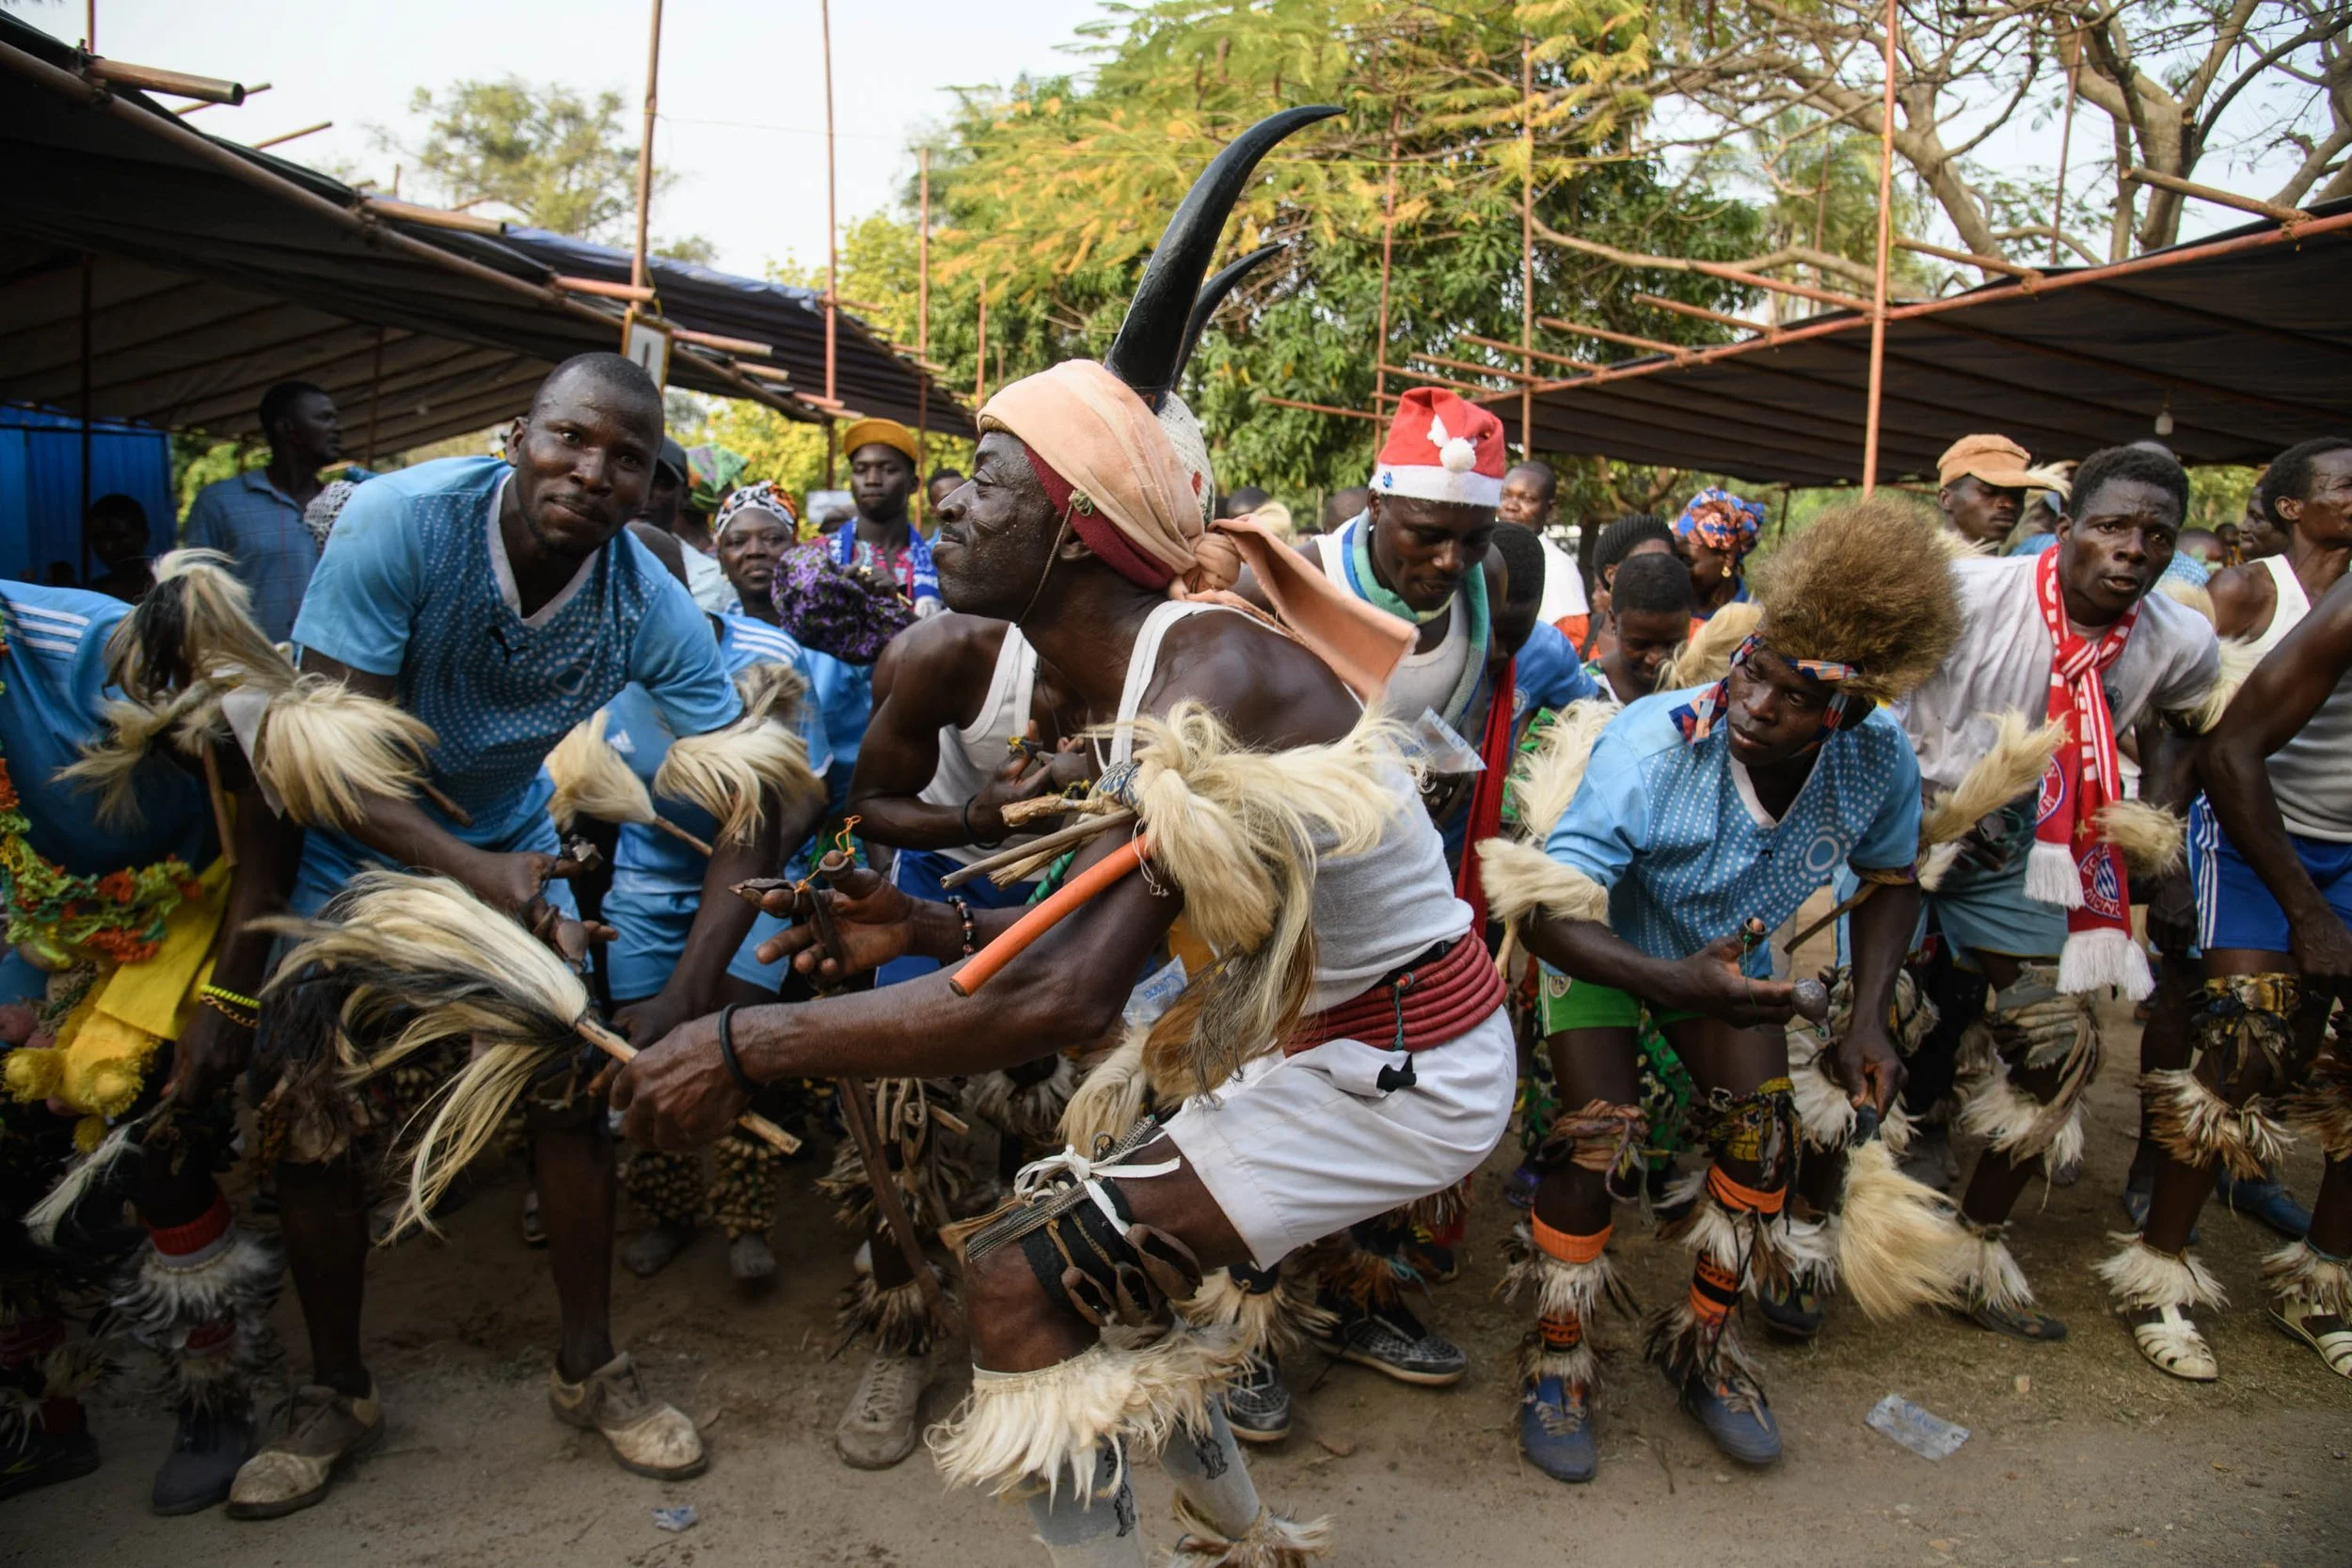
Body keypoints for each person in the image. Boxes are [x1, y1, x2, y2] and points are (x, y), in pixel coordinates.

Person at [612, 108, 1511, 1568]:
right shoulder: (1158, 674)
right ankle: (1251, 1532)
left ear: (1081, 522)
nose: (951, 501)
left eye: (987, 477)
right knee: (1107, 1273)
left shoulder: (1204, 673)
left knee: (1014, 1287)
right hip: (1350, 1046)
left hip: (1396, 1068)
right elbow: (1094, 936)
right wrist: (919, 927)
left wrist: (742, 1044)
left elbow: (1071, 1000)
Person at [228, 354, 808, 1519]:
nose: (594, 474)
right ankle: (333, 1389)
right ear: (517, 434)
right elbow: (313, 761)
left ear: (651, 485)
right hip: (353, 851)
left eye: (627, 460)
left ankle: (589, 1364)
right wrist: (471, 871)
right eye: (571, 440)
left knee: (570, 1093)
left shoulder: (645, 598)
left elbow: (761, 799)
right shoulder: (401, 521)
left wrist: (687, 993)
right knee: (312, 1121)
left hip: (506, 849)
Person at [1496, 499, 1958, 1478]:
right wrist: (1675, 978)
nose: (1751, 701)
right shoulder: (1655, 745)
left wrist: (1868, 1016)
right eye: (1751, 670)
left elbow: (1888, 879)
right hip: (1601, 949)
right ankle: (1561, 1353)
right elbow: (1545, 918)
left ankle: (1702, 1343)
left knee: (1762, 1147)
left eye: (1788, 696)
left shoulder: (1874, 759)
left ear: (1847, 710)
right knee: (1596, 1139)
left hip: (1714, 966)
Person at [1891, 445, 2217, 1341]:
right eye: (2112, 526)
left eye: (2155, 535)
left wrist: (2154, 816)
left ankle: (1974, 1249)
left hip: (2031, 845)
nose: (2132, 550)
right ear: (2065, 530)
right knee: (1864, 1031)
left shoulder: (2177, 637)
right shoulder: (1971, 597)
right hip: (1907, 827)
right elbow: (1871, 696)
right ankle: (1808, 1235)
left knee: (2058, 1046)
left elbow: (2186, 718)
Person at [0, 562, 303, 1513]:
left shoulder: (96, 649)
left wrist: (229, 995)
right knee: (10, 1134)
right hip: (45, 903)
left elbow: (268, 806)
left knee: (150, 1137)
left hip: (198, 886)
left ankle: (216, 1395)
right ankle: (42, 1409)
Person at [2103, 437, 2352, 1382]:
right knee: (2244, 1046)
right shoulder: (2253, 591)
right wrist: (2158, 843)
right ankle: (2156, 1268)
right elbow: (2178, 707)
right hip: (2253, 833)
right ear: (2291, 506)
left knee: (2337, 1073)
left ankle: (2317, 1285)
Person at [606, 494, 833, 1291]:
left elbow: (810, 787)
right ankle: (668, 1208)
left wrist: (759, 850)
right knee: (645, 1044)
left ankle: (745, 1214)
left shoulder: (766, 656)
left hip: (753, 883)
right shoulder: (596, 662)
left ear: (680, 589)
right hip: (643, 886)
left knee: (732, 1047)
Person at [181, 382, 343, 641]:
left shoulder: (344, 504)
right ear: (285, 426)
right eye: (324, 418)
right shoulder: (221, 502)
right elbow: (195, 602)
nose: (338, 428)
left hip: (332, 673)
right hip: (254, 673)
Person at [836, 418, 944, 619]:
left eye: (888, 469)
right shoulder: (822, 557)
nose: (872, 480)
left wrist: (897, 609)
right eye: (861, 470)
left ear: (913, 484)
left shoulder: (942, 563)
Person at [1586, 549, 1693, 706]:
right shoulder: (1580, 694)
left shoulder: (1705, 690)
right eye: (1640, 645)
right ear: (1613, 620)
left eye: (1671, 644)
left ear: (1688, 623)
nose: (1656, 658)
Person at [642, 437, 736, 614]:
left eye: (662, 484)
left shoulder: (712, 580)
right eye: (642, 479)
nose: (647, 495)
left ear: (685, 496)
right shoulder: (582, 556)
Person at [1497, 460, 1591, 633]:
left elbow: (1571, 641)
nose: (1511, 506)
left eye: (1528, 499)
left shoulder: (1559, 567)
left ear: (1549, 509)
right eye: (1505, 495)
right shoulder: (1481, 549)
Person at [1575, 513, 1676, 659]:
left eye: (1667, 564)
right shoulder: (1576, 634)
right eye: (1646, 565)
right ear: (1611, 575)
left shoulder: (1698, 636)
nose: (1659, 574)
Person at [1672, 488, 1766, 625]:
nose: (1676, 569)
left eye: (1687, 562)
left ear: (1727, 558)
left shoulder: (1752, 625)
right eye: (1673, 558)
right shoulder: (1668, 613)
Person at [1934, 434, 2042, 551]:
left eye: (2017, 496)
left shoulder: (2027, 567)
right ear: (1945, 499)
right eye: (1989, 492)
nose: (2009, 504)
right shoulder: (1918, 564)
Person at [83, 494, 156, 604]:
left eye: (119, 537)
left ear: (144, 536)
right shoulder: (91, 594)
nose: (108, 547)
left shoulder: (166, 590)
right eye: (98, 538)